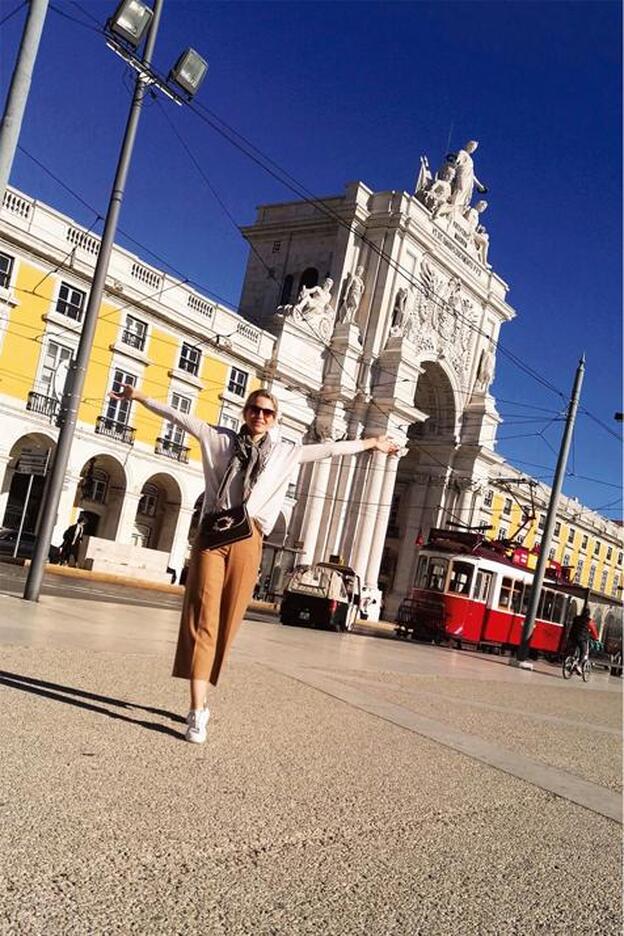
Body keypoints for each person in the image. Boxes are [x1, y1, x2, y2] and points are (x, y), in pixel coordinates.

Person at [109, 383, 400, 743]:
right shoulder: (218, 439)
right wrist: (140, 397)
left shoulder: (285, 452)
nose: (260, 416)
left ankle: (202, 697)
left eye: (267, 412)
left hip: (249, 539)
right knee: (204, 620)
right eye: (254, 409)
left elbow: (330, 449)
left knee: (228, 622)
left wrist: (372, 444)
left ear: (274, 419)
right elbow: (178, 416)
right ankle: (197, 710)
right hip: (213, 538)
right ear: (245, 412)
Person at [567, 607, 598, 673]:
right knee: (583, 651)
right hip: (581, 639)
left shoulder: (576, 618)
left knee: (573, 649)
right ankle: (579, 665)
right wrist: (596, 638)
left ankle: (570, 661)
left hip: (572, 637)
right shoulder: (589, 621)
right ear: (588, 614)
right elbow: (594, 631)